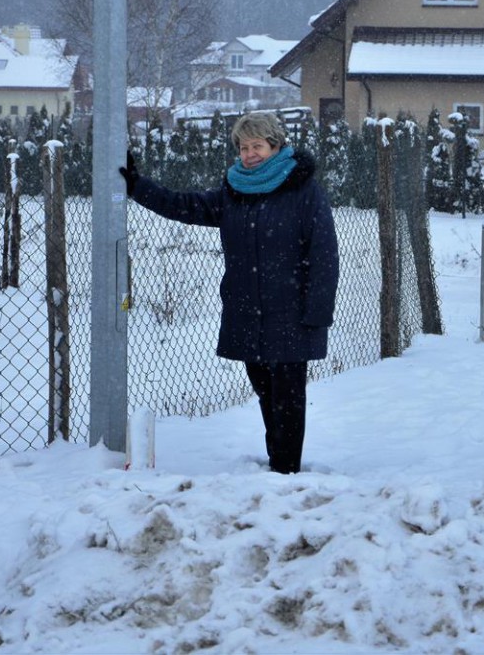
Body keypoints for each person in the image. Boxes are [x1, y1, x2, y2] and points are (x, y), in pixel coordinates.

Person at [119, 112, 339, 474]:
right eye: (244, 147)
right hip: (247, 311)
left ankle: (286, 470)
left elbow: (324, 254)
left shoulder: (304, 192)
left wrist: (316, 312)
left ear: (275, 146)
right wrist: (139, 187)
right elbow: (186, 206)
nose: (250, 153)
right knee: (266, 392)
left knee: (288, 397)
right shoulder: (235, 191)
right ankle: (278, 464)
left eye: (258, 146)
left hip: (292, 313)